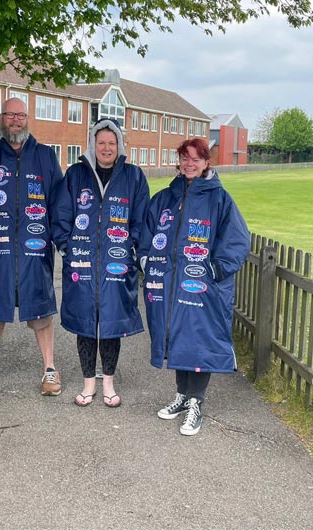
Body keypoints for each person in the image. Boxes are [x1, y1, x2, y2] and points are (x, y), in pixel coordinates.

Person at [139, 137, 249, 436]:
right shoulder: (164, 198)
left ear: (206, 163)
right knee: (176, 335)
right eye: (184, 158)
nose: (189, 163)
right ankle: (182, 395)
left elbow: (237, 241)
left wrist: (215, 269)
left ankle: (196, 402)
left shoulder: (220, 200)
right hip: (170, 285)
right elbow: (146, 234)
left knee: (199, 340)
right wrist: (147, 262)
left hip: (202, 287)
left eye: (196, 159)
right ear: (179, 161)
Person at [0, 97, 64, 398]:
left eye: (21, 115)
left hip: (35, 248)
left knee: (40, 309)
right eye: (10, 115)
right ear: (1, 118)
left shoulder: (45, 156)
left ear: (28, 118)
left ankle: (50, 368)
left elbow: (58, 202)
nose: (15, 121)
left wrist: (57, 237)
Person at [51, 119, 149, 407]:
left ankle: (108, 381)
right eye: (101, 142)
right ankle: (87, 383)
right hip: (81, 265)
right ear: (92, 144)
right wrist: (67, 247)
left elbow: (141, 219)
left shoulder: (133, 177)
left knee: (110, 323)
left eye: (111, 142)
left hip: (117, 266)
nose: (106, 148)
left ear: (119, 145)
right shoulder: (76, 175)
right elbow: (61, 214)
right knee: (85, 323)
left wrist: (131, 247)